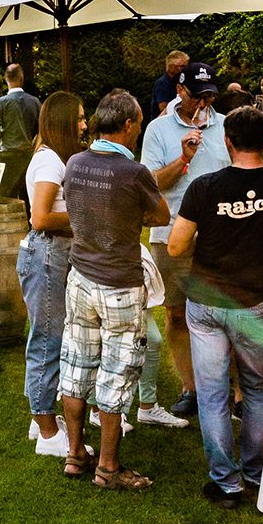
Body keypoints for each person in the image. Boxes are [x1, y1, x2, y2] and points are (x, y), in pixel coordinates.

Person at [166, 105, 263, 510]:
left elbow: (176, 245)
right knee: (256, 389)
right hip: (254, 304)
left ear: (228, 141)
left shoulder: (204, 187)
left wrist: (210, 239)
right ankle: (254, 471)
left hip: (206, 303)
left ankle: (225, 482)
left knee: (213, 394)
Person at [58, 90, 170, 491]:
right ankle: (107, 467)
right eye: (138, 123)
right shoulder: (132, 171)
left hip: (79, 278)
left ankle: (75, 455)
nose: (139, 130)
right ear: (127, 125)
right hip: (119, 283)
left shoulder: (74, 162)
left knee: (76, 364)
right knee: (117, 371)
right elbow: (162, 214)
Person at [138, 60, 229, 418]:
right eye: (197, 97)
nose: (204, 103)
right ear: (180, 91)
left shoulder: (224, 127)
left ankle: (229, 389)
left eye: (210, 96)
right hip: (171, 234)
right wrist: (183, 158)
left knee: (224, 312)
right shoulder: (159, 129)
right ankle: (190, 387)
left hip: (221, 237)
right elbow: (151, 184)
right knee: (177, 315)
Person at [21, 92, 86, 457]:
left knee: (49, 337)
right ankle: (47, 434)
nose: (82, 124)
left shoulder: (54, 158)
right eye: (77, 118)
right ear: (61, 121)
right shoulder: (48, 162)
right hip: (46, 254)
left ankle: (40, 418)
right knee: (47, 341)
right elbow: (41, 218)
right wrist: (88, 218)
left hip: (53, 255)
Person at [0, 63, 41, 205]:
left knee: (7, 197)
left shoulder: (0, 103)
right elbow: (42, 132)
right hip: (28, 156)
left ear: (5, 79)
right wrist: (34, 146)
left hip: (7, 156)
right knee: (27, 195)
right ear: (21, 78)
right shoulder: (34, 102)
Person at [149, 51, 188, 120]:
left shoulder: (178, 82)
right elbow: (164, 109)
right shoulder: (162, 83)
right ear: (171, 67)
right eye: (182, 67)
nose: (185, 70)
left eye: (186, 67)